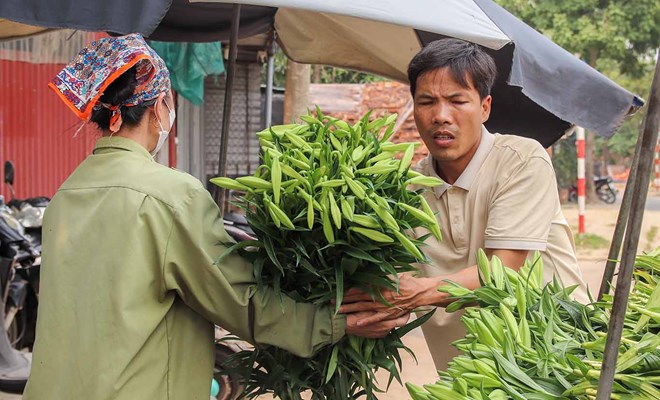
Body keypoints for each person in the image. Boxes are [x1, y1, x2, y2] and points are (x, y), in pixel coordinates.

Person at [23, 34, 409, 400]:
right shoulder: (172, 195)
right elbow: (238, 299)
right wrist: (334, 322)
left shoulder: (64, 196)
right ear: (159, 107)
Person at [339, 38, 588, 370]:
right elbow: (388, 282)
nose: (441, 116)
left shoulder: (522, 161)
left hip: (554, 366)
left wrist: (413, 294)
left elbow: (502, 273)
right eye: (426, 101)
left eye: (457, 100)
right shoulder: (404, 192)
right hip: (469, 376)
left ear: (485, 107)